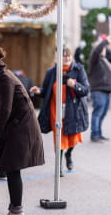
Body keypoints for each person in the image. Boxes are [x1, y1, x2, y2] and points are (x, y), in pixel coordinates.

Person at [0, 48, 44, 215]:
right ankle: (15, 208)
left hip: (22, 126)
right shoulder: (0, 76)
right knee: (11, 167)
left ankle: (16, 209)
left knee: (12, 167)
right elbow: (0, 105)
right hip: (16, 124)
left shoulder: (4, 78)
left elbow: (5, 109)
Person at [30, 47, 89, 177]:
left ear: (72, 57)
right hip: (55, 110)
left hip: (73, 110)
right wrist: (38, 91)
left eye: (68, 56)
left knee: (73, 137)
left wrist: (74, 85)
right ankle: (59, 165)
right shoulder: (51, 72)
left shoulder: (79, 70)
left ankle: (69, 154)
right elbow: (46, 90)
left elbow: (86, 90)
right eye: (63, 56)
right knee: (59, 137)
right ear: (58, 58)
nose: (66, 58)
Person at [88, 36, 111, 143]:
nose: (104, 50)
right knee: (98, 113)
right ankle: (94, 135)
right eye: (103, 48)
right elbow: (97, 50)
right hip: (98, 90)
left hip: (105, 91)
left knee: (102, 113)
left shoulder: (103, 61)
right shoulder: (95, 59)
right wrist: (105, 41)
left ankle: (98, 133)